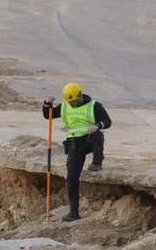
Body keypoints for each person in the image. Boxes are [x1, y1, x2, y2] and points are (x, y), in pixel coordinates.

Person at [42, 83, 112, 222]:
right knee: (71, 177)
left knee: (98, 134)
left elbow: (107, 121)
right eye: (70, 101)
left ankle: (96, 162)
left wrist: (97, 125)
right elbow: (48, 115)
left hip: (90, 140)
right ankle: (73, 212)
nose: (72, 104)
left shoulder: (93, 105)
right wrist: (46, 104)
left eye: (73, 101)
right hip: (74, 144)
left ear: (79, 96)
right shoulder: (65, 106)